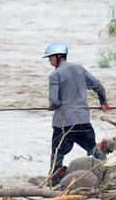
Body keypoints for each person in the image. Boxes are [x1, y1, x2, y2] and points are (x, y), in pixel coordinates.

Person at [43, 41, 109, 184]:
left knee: (57, 153)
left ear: (58, 57)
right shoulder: (80, 69)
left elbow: (54, 102)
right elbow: (99, 87)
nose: (49, 61)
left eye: (50, 58)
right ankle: (108, 172)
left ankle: (52, 182)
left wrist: (51, 107)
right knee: (92, 147)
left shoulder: (55, 75)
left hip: (63, 124)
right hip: (83, 120)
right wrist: (103, 102)